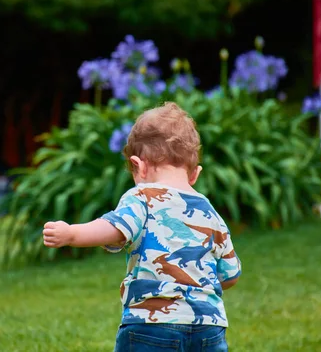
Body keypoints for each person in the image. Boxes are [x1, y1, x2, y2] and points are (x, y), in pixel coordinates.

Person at [43, 102, 242, 351]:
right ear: (195, 174)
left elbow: (115, 228)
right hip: (209, 327)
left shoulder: (142, 197)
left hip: (152, 324)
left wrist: (72, 233)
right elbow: (230, 275)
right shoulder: (209, 212)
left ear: (139, 166)